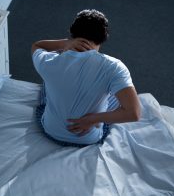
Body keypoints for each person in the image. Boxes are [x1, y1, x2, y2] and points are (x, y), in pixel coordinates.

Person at [32, 9, 141, 147]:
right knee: (117, 93)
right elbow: (134, 113)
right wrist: (93, 120)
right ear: (103, 38)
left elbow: (37, 45)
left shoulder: (49, 61)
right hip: (88, 139)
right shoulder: (114, 67)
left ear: (72, 34)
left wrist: (65, 43)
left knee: (46, 82)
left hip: (50, 131)